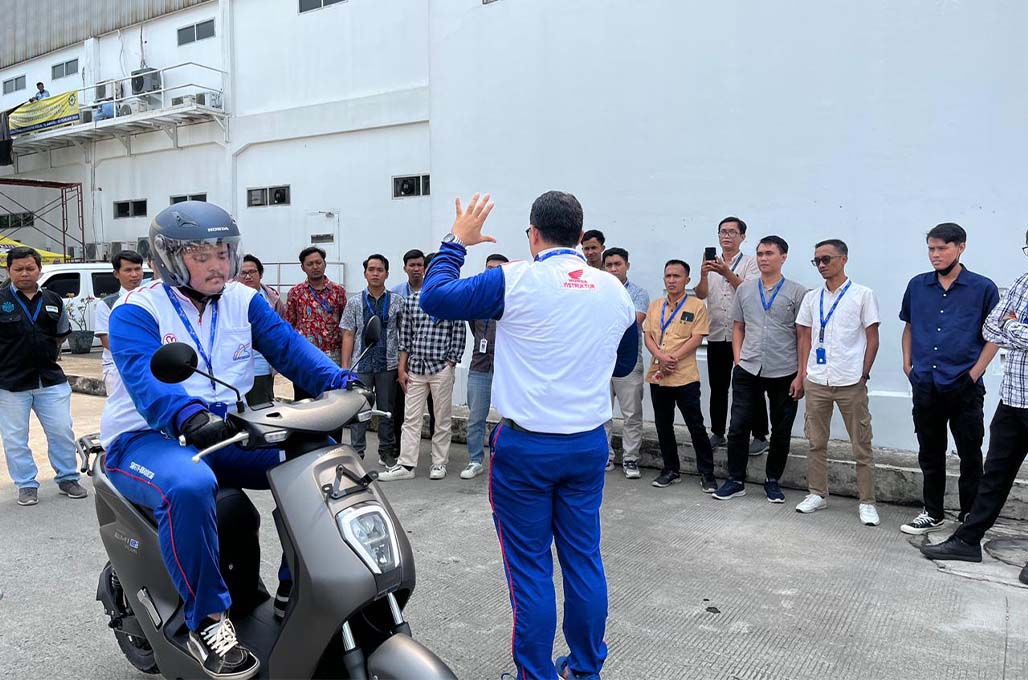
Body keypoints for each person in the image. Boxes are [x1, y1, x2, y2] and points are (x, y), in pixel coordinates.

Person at [99, 201, 353, 680]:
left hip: (224, 432)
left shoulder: (243, 299)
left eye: (223, 252)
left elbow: (290, 348)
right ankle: (208, 622)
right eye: (203, 256)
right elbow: (144, 381)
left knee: (317, 455)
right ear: (172, 258)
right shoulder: (136, 310)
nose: (218, 264)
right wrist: (189, 417)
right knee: (189, 485)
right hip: (147, 438)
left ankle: (295, 585)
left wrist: (341, 382)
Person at [419, 191, 637, 680]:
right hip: (586, 444)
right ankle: (585, 669)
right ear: (582, 237)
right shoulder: (614, 289)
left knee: (531, 568)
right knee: (583, 560)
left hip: (527, 448)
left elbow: (435, 297)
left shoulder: (515, 278)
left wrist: (456, 241)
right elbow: (623, 363)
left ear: (533, 235)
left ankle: (534, 674)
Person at [919, 229, 1028, 586]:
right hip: (1013, 398)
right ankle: (967, 540)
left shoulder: (989, 287)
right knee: (994, 475)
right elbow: (991, 327)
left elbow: (1004, 328)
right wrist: (1013, 326)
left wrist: (1013, 325)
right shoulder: (1020, 283)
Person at [899, 223, 999, 535]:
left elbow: (993, 336)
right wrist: (908, 367)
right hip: (925, 382)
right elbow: (910, 327)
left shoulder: (983, 288)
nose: (935, 255)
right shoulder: (918, 285)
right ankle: (932, 511)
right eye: (931, 248)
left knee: (970, 453)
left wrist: (973, 374)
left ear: (961, 247)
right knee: (930, 451)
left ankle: (970, 515)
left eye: (942, 248)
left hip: (964, 385)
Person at [794, 240, 882, 525]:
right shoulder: (812, 298)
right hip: (818, 380)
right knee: (816, 442)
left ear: (843, 259)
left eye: (826, 259)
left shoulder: (862, 295)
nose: (821, 265)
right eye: (816, 260)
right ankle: (817, 493)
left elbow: (872, 338)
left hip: (850, 381)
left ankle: (867, 501)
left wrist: (864, 374)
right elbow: (804, 338)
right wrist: (802, 374)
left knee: (861, 445)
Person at [713, 235, 807, 503]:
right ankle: (735, 479)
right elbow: (738, 326)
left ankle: (772, 480)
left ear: (783, 257)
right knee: (738, 426)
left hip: (785, 369)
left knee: (781, 428)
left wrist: (801, 374)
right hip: (749, 368)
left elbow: (803, 336)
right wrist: (739, 359)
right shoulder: (744, 289)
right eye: (760, 254)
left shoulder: (798, 292)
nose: (764, 258)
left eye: (769, 253)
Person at [0, 246, 86, 507]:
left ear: (39, 269)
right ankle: (26, 484)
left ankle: (68, 477)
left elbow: (61, 333)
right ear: (8, 270)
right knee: (15, 438)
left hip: (50, 379)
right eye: (18, 269)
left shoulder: (53, 299)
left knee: (61, 430)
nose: (25, 273)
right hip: (10, 383)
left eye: (30, 268)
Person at [378, 252, 466, 481]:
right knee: (411, 418)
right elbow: (405, 337)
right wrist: (402, 368)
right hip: (416, 368)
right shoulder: (412, 301)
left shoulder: (453, 302)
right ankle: (406, 465)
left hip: (441, 369)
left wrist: (451, 362)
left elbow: (458, 333)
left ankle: (439, 463)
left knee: (442, 418)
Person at [695, 216, 770, 455]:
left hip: (744, 335)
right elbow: (700, 294)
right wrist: (705, 274)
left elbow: (749, 292)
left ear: (742, 237)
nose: (726, 236)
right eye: (722, 232)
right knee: (718, 387)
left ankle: (759, 434)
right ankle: (718, 432)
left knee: (751, 386)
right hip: (717, 333)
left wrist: (727, 273)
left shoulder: (751, 263)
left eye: (731, 232)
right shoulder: (710, 261)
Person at [644, 259, 717, 492]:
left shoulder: (696, 306)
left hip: (684, 376)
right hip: (659, 375)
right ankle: (670, 469)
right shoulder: (656, 305)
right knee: (663, 425)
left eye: (677, 276)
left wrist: (672, 357)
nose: (672, 280)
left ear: (687, 279)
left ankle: (707, 473)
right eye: (668, 276)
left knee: (695, 425)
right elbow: (648, 335)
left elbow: (697, 338)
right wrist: (660, 357)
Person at [340, 253, 401, 466]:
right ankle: (357, 452)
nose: (375, 273)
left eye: (380, 270)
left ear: (387, 273)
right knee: (359, 410)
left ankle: (386, 451)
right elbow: (348, 333)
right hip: (361, 364)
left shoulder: (397, 301)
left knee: (386, 410)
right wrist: (346, 367)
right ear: (365, 273)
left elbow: (403, 333)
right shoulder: (355, 301)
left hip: (388, 364)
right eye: (371, 269)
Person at [602, 247, 649, 478]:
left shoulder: (639, 293)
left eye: (617, 264)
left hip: (629, 362)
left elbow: (634, 321)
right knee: (601, 414)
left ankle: (631, 459)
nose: (613, 269)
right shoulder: (597, 290)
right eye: (608, 265)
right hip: (600, 362)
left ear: (627, 266)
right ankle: (605, 456)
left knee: (631, 414)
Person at [462, 252, 509, 480]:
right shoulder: (477, 300)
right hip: (480, 366)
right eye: (489, 268)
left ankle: (505, 459)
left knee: (510, 418)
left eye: (498, 269)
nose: (493, 272)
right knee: (475, 418)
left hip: (506, 369)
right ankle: (475, 460)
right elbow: (474, 328)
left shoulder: (512, 299)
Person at [285, 245, 347, 400]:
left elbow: (345, 326)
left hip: (332, 356)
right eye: (310, 264)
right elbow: (289, 325)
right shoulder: (296, 293)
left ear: (325, 264)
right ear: (303, 267)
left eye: (318, 262)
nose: (315, 267)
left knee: (333, 399)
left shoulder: (338, 292)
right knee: (304, 400)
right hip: (305, 356)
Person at [236, 254, 287, 405]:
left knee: (262, 410)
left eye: (252, 272)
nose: (248, 276)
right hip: (236, 368)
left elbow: (281, 328)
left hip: (262, 366)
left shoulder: (272, 299)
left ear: (261, 274)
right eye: (243, 273)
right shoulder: (228, 298)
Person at [95, 250, 146, 396]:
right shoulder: (107, 304)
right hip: (118, 368)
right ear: (116, 274)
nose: (134, 274)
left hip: (149, 365)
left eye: (137, 269)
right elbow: (107, 342)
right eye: (128, 270)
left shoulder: (153, 299)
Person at [391, 249, 427, 447]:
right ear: (404, 268)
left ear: (424, 268)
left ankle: (435, 454)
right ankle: (398, 448)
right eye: (411, 265)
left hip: (428, 360)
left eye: (419, 265)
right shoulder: (396, 293)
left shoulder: (433, 291)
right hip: (402, 359)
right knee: (400, 406)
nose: (416, 269)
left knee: (433, 407)